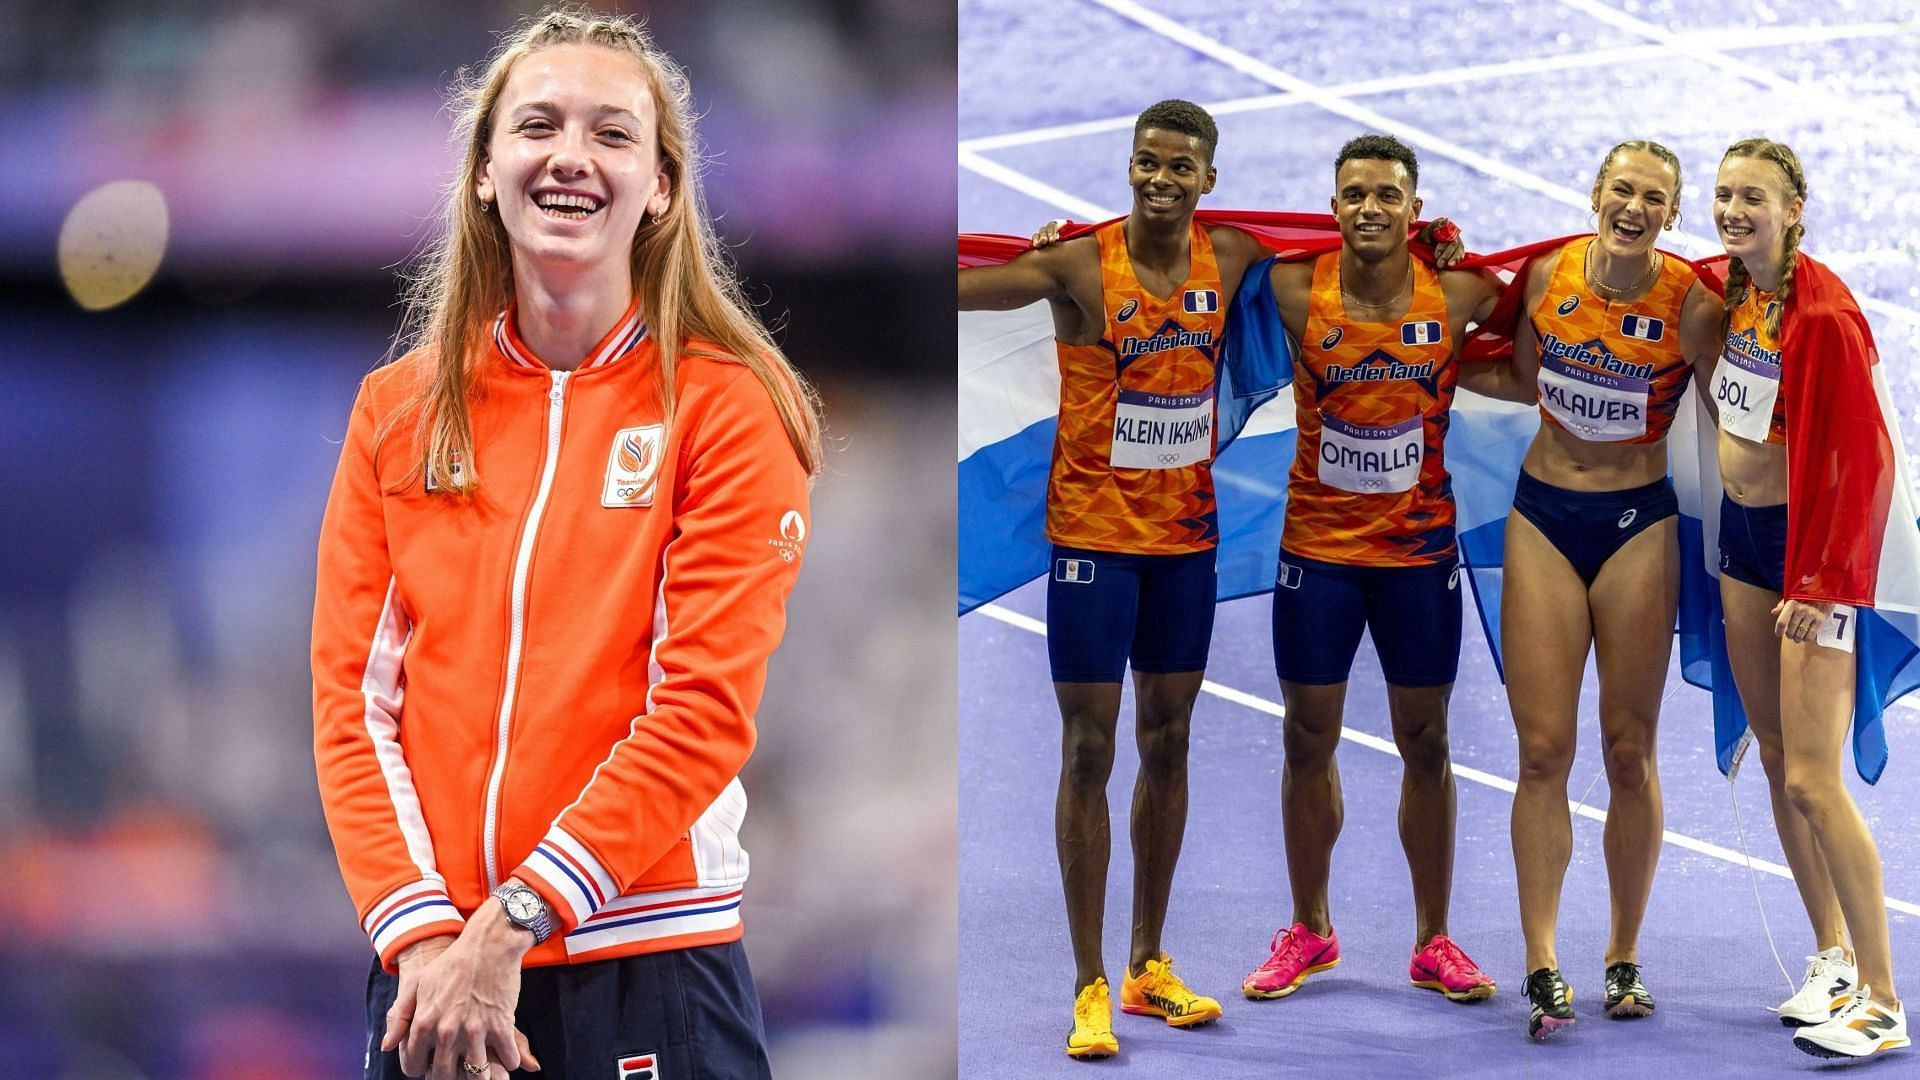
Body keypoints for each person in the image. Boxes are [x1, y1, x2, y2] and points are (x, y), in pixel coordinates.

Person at [310, 10, 822, 1079]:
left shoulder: (729, 408)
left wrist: (513, 922)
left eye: (614, 133)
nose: (571, 157)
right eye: (538, 124)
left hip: (645, 965)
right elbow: (353, 710)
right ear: (487, 172)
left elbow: (698, 716)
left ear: (664, 186)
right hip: (430, 980)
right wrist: (423, 941)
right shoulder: (396, 414)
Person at [959, 98, 1275, 1060]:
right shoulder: (1076, 266)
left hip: (1184, 543)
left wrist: (1432, 242)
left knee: (1169, 743)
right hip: (1093, 545)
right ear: (1128, 165)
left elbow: (1342, 259)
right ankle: (1088, 983)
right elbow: (968, 287)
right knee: (1090, 752)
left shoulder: (1235, 256)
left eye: (1181, 167)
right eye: (1148, 162)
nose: (1162, 179)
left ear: (1207, 180)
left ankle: (1148, 965)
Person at [1235, 135, 1514, 1010]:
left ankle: (1434, 939)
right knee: (1304, 738)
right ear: (1333, 206)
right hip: (1317, 554)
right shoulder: (1291, 287)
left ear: (1413, 207)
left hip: (1417, 556)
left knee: (1425, 742)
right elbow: (1202, 246)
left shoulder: (1460, 292)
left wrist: (1462, 253)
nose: (1369, 208)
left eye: (1388, 195)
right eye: (1354, 194)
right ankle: (1309, 928)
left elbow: (1540, 301)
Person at [1488, 141, 1722, 1040]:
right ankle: (1543, 963)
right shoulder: (1548, 275)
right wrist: (1399, 374)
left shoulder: (1692, 306)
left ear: (1671, 216)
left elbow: (1737, 404)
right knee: (1543, 752)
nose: (1634, 206)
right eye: (1622, 188)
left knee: (1630, 751)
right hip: (1544, 518)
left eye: (1653, 198)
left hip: (1638, 527)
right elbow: (1511, 373)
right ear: (1595, 194)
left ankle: (1623, 955)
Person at [1706, 137, 1908, 1060]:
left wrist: (1821, 580)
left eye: (1755, 197)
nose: (1735, 209)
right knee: (1778, 750)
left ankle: (1883, 996)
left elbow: (1867, 463)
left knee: (1812, 780)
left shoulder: (1822, 315)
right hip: (1743, 546)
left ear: (1794, 209)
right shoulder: (1742, 293)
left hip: (1807, 560)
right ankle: (1829, 956)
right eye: (1724, 195)